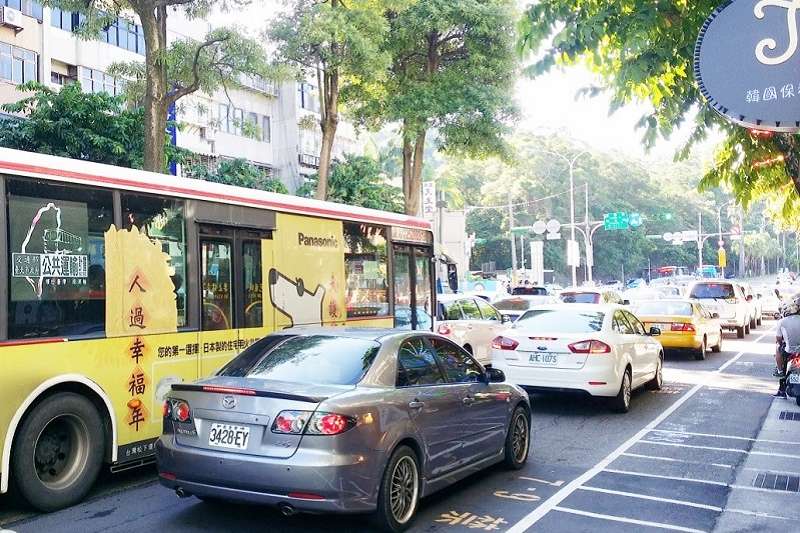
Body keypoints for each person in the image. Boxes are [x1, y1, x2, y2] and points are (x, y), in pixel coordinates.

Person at [774, 297, 800, 398]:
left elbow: (778, 339)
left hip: (789, 351)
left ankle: (780, 372)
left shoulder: (782, 322)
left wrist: (781, 343)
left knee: (778, 348)